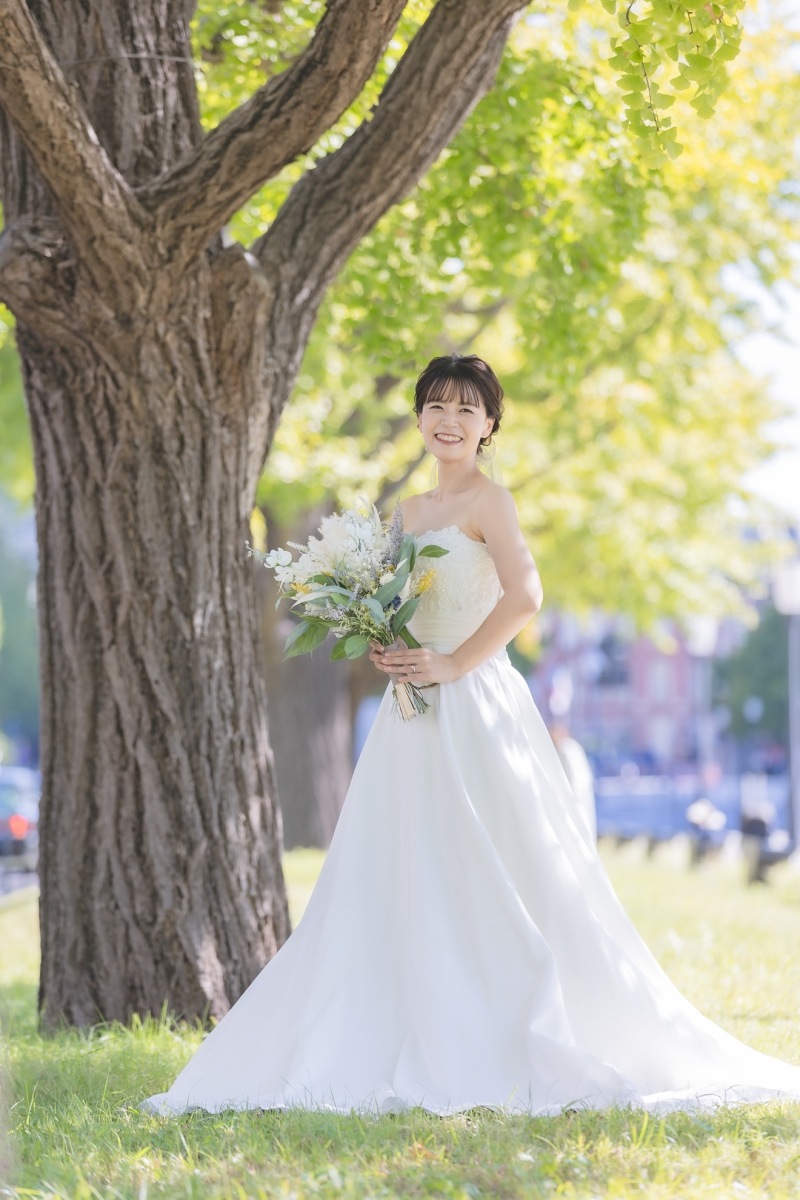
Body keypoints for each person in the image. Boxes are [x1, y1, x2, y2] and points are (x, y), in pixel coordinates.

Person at [138, 354, 800, 1119]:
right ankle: (403, 1014)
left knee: (502, 861)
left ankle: (510, 1019)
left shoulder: (493, 502)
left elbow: (525, 594)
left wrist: (454, 660)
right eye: (435, 406)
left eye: (466, 408)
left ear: (489, 425)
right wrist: (387, 647)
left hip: (477, 700)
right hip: (410, 711)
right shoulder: (409, 513)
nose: (448, 420)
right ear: (420, 418)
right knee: (403, 863)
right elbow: (399, 603)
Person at [548, 722, 597, 843]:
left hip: (574, 794)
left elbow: (570, 776)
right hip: (582, 792)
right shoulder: (573, 747)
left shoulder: (564, 749)